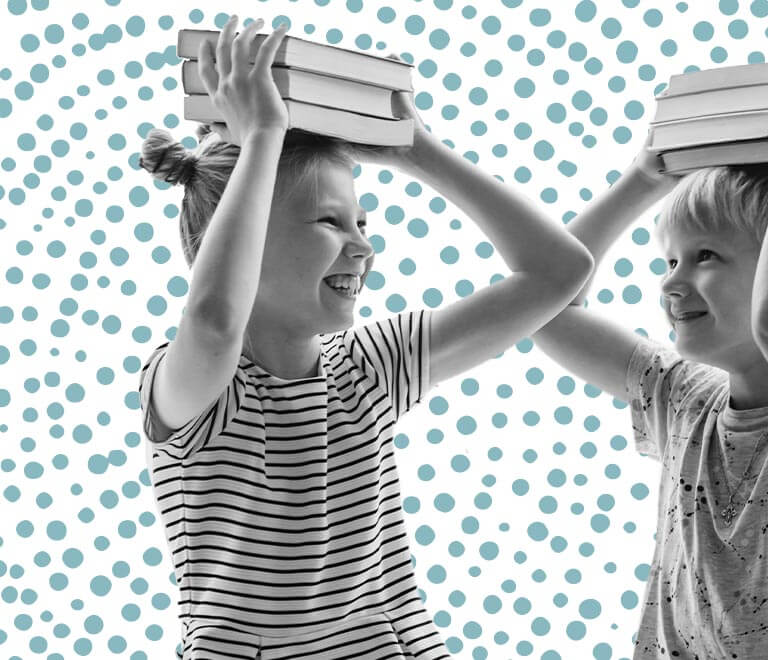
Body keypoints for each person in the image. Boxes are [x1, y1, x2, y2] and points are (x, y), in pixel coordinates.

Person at [137, 15, 592, 659]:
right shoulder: (196, 385)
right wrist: (263, 135)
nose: (364, 245)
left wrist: (417, 152)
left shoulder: (369, 366)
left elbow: (559, 272)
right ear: (241, 243)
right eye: (331, 221)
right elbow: (214, 321)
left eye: (363, 221)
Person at [533, 54, 768, 658]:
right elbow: (545, 306)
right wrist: (642, 181)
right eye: (670, 261)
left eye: (706, 256)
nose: (670, 283)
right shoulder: (685, 398)